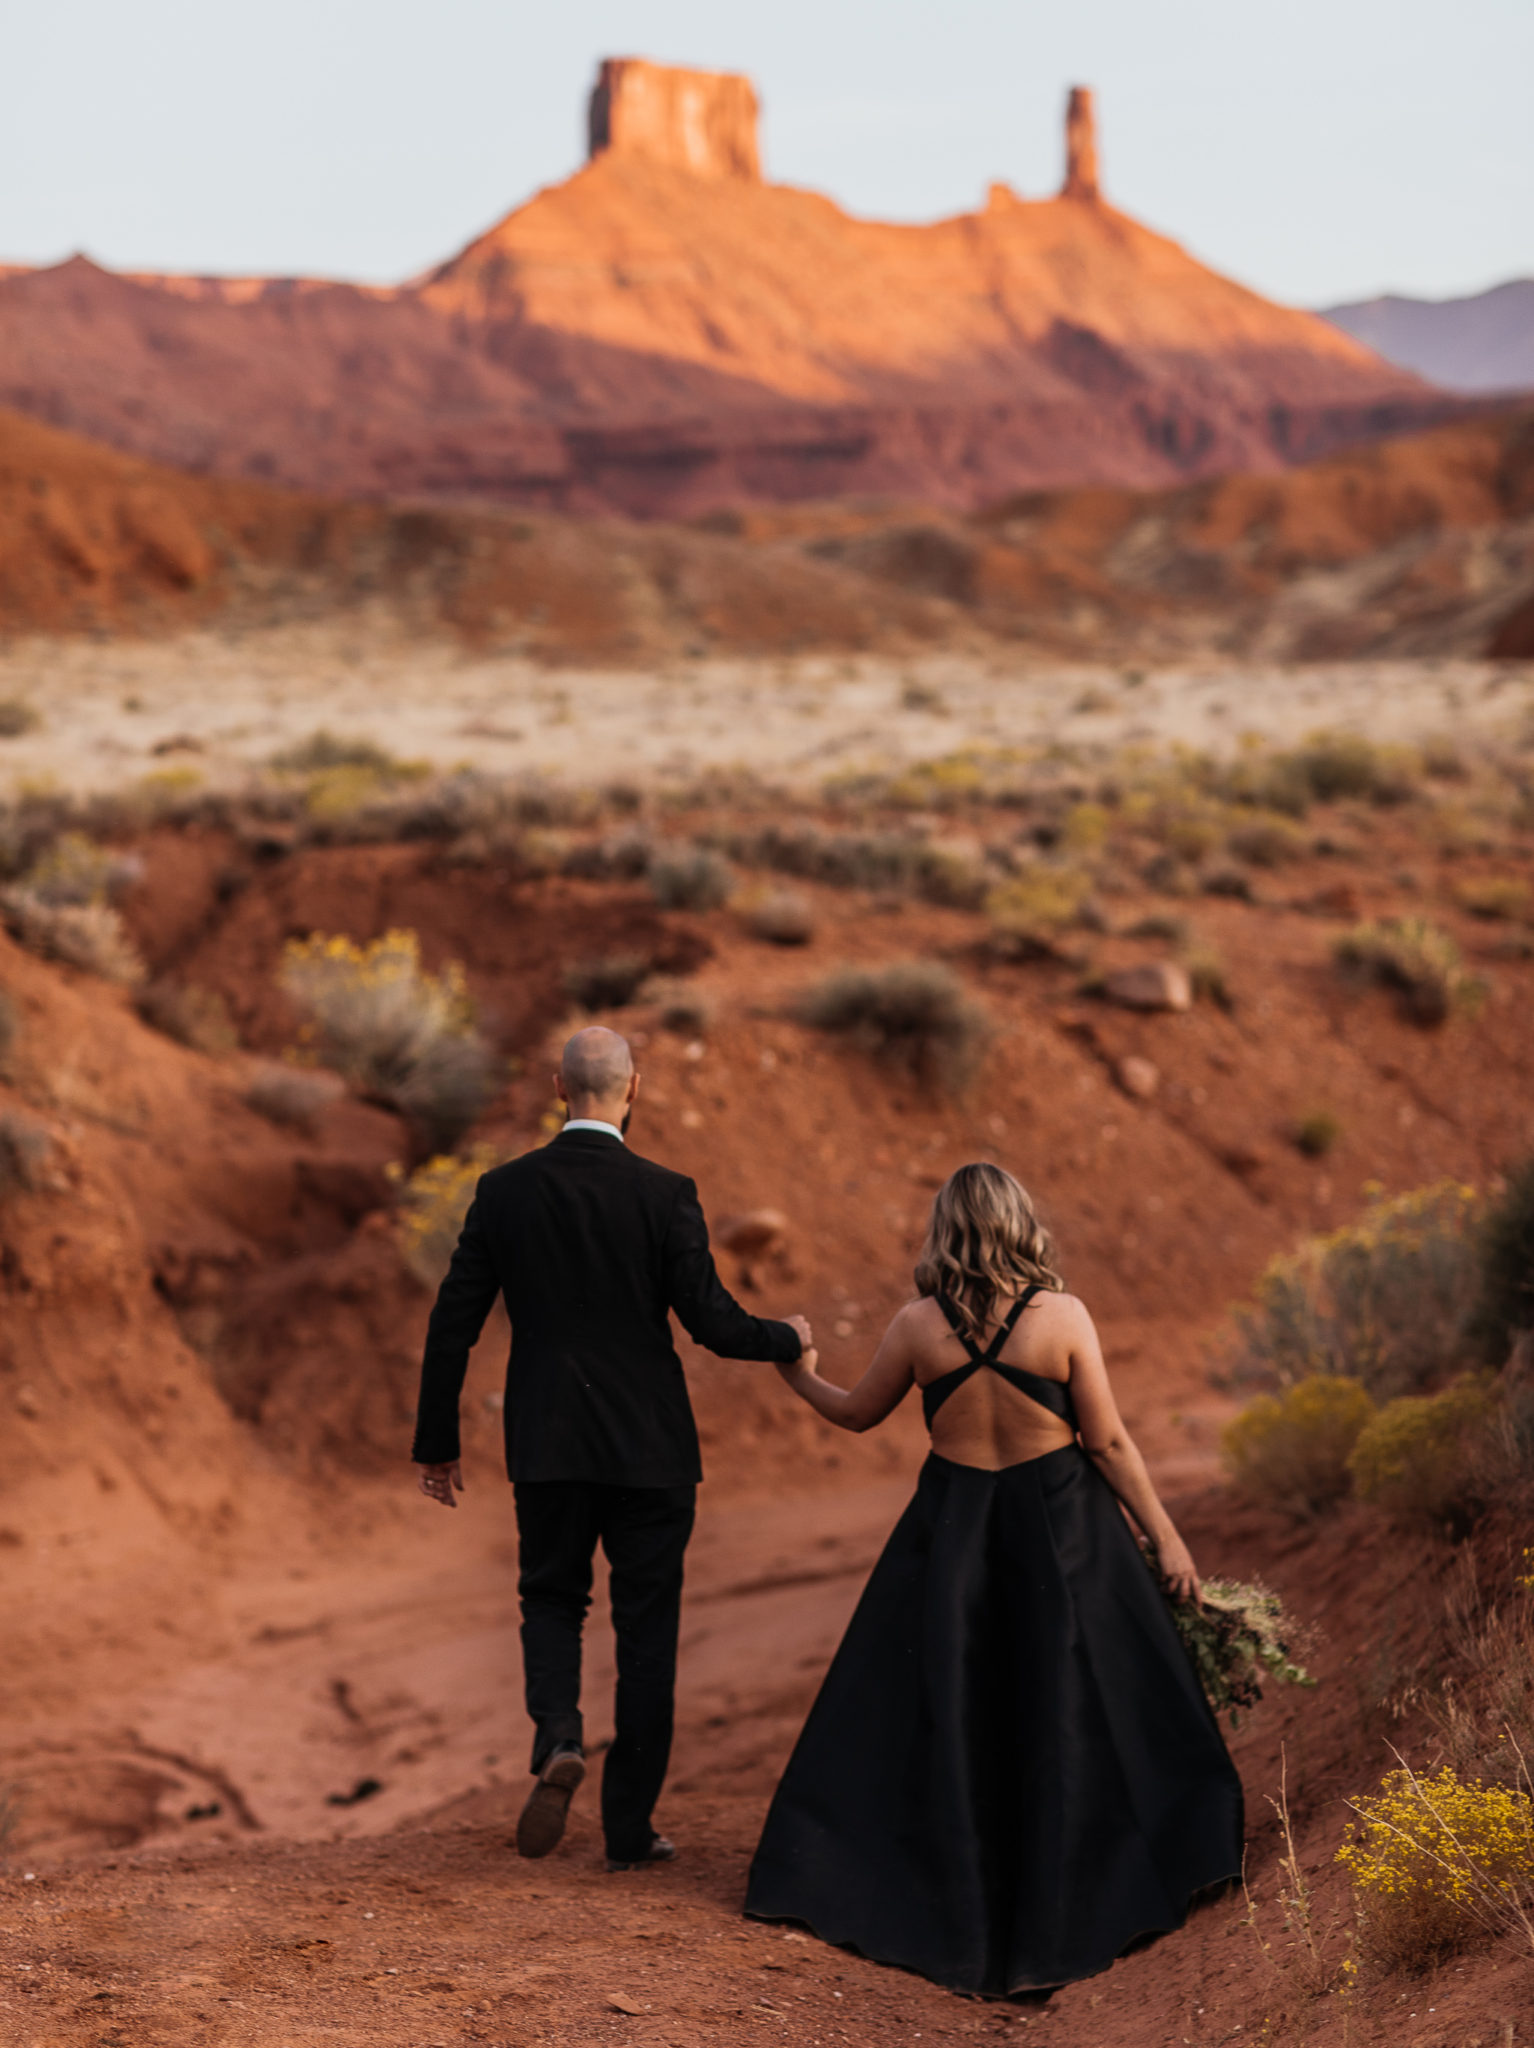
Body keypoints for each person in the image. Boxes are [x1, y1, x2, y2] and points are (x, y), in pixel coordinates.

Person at [746, 1162, 1243, 2000]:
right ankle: (1094, 1895)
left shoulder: (916, 1327)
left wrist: (796, 1371)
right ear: (1019, 1224)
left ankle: (943, 1906)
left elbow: (858, 1414)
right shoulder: (1063, 1317)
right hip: (1065, 1526)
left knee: (954, 1712)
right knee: (1083, 1707)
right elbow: (1110, 1445)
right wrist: (1168, 1543)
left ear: (945, 1230)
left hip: (954, 1535)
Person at [413, 1025, 811, 1872]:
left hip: (549, 1442)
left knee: (552, 1600)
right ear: (635, 1089)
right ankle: (629, 1831)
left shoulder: (504, 1192)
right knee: (648, 1634)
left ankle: (559, 1735)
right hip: (651, 1449)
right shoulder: (667, 1194)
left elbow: (453, 1324)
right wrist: (788, 1338)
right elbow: (712, 1323)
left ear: (561, 1086)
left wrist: (437, 1444)